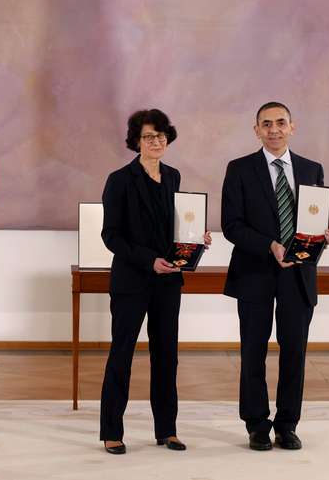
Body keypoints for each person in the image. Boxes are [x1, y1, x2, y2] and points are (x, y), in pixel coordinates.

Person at [221, 101, 329, 451]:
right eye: (266, 123)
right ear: (256, 130)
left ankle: (287, 425)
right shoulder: (239, 169)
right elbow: (231, 226)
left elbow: (315, 220)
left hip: (298, 276)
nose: (274, 129)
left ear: (292, 127)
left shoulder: (311, 169)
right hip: (254, 272)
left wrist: (326, 234)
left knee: (294, 353)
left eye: (280, 122)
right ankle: (257, 424)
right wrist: (269, 244)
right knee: (253, 352)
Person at [99, 108, 210, 455]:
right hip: (132, 281)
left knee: (167, 356)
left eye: (161, 135)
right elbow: (111, 236)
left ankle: (167, 429)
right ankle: (111, 431)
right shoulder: (119, 180)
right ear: (136, 141)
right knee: (122, 354)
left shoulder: (174, 177)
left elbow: (175, 228)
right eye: (149, 136)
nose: (156, 142)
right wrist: (149, 261)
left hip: (168, 282)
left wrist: (195, 240)